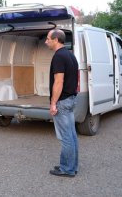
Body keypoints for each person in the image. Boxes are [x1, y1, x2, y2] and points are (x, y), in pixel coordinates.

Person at [45, 29, 79, 178]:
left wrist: (53, 103)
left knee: (66, 137)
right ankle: (71, 166)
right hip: (71, 99)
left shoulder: (58, 57)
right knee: (71, 135)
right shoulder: (71, 55)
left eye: (48, 39)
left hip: (63, 102)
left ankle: (67, 169)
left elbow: (59, 82)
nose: (46, 41)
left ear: (56, 39)